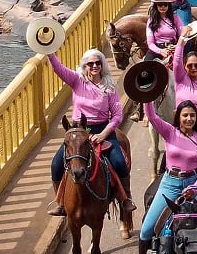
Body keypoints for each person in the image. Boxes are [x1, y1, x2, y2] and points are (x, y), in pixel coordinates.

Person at [46, 49, 136, 216]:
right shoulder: (76, 80)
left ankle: (125, 199)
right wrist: (50, 53)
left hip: (103, 129)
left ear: (102, 65)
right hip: (78, 131)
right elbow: (58, 68)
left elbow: (117, 115)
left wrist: (103, 134)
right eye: (90, 64)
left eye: (98, 63)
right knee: (56, 164)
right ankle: (60, 203)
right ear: (84, 66)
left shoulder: (109, 86)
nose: (94, 66)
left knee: (119, 163)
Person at [139, 100, 197, 253]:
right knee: (146, 230)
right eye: (185, 115)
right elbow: (152, 117)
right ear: (178, 117)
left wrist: (195, 187)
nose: (189, 119)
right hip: (170, 184)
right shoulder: (169, 132)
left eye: (192, 115)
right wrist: (148, 97)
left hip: (195, 184)